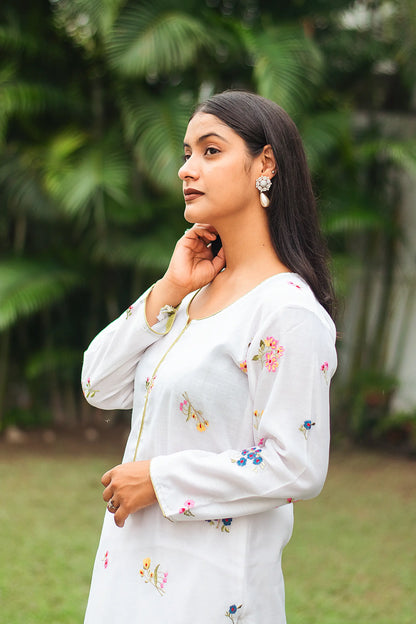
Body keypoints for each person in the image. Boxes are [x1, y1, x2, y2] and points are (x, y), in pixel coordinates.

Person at [81, 90, 337, 624]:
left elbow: (297, 464)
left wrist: (161, 479)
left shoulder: (286, 311)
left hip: (213, 590)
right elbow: (98, 385)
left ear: (264, 163)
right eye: (186, 152)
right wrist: (168, 288)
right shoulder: (192, 295)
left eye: (210, 150)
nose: (186, 169)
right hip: (128, 572)